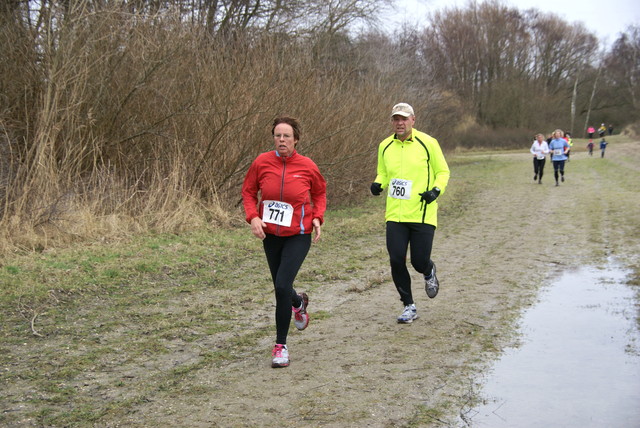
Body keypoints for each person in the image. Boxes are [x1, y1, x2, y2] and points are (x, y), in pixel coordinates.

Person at [241, 116, 327, 368]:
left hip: (298, 235)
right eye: (277, 135)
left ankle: (281, 346)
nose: (281, 140)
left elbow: (319, 192)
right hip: (271, 235)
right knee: (281, 285)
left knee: (281, 285)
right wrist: (253, 217)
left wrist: (318, 217)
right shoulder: (261, 162)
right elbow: (248, 191)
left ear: (295, 139)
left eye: (286, 136)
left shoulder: (307, 166)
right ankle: (298, 303)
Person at [370, 103, 450, 323]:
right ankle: (409, 306)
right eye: (396, 119)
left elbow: (443, 171)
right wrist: (378, 184)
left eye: (404, 119)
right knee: (396, 259)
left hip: (422, 213)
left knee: (418, 260)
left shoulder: (428, 143)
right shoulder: (385, 145)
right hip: (395, 214)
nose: (400, 123)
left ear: (413, 120)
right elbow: (383, 173)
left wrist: (436, 191)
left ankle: (429, 270)